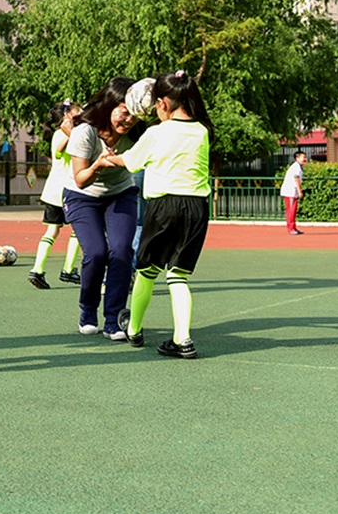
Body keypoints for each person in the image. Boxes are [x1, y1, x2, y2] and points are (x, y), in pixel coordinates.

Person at [107, 70, 213, 359]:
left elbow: (129, 162)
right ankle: (183, 340)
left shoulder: (156, 132)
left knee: (147, 270)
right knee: (178, 276)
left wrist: (107, 158)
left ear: (163, 103)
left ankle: (134, 329)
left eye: (155, 104)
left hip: (164, 207)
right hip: (197, 209)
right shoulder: (202, 130)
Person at [63, 77, 142, 340]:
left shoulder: (138, 135)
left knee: (120, 251)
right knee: (96, 252)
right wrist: (98, 165)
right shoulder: (85, 132)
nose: (128, 120)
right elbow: (80, 179)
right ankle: (87, 310)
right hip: (82, 196)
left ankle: (114, 318)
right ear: (109, 105)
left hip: (120, 194)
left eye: (135, 115)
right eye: (124, 112)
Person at [28, 100, 83, 289]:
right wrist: (71, 135)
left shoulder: (57, 134)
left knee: (52, 230)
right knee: (78, 230)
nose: (81, 112)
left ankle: (37, 269)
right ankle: (68, 270)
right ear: (68, 116)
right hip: (69, 190)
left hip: (52, 191)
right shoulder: (65, 135)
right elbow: (60, 150)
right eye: (77, 111)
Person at [280, 151, 307, 235]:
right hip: (290, 192)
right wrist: (300, 191)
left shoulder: (298, 166)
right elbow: (296, 179)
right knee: (291, 211)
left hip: (292, 192)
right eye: (303, 157)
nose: (305, 159)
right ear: (297, 158)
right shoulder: (296, 167)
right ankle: (291, 228)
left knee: (293, 210)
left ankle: (293, 227)